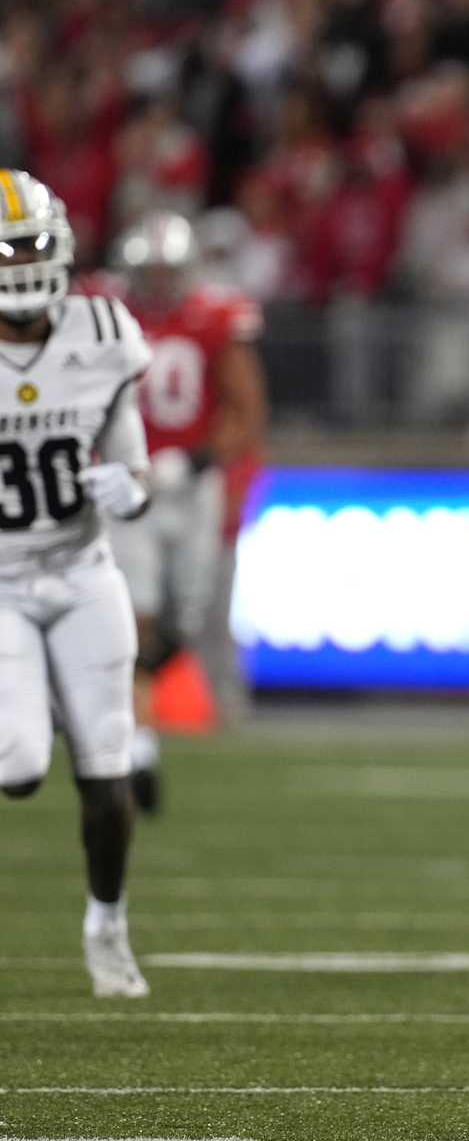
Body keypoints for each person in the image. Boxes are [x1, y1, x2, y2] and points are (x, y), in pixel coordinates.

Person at [0, 169, 156, 997]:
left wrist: (132, 488)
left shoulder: (102, 327)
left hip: (84, 569)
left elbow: (132, 457)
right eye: (8, 249)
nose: (24, 263)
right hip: (0, 582)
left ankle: (108, 926)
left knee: (107, 771)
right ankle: (36, 698)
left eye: (33, 244)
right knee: (19, 766)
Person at [103, 211, 267, 815]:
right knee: (136, 615)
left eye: (170, 270)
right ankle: (137, 745)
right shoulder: (108, 316)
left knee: (187, 618)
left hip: (193, 487)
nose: (162, 282)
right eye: (152, 270)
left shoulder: (214, 317)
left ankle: (124, 719)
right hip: (132, 486)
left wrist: (201, 460)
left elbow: (247, 409)